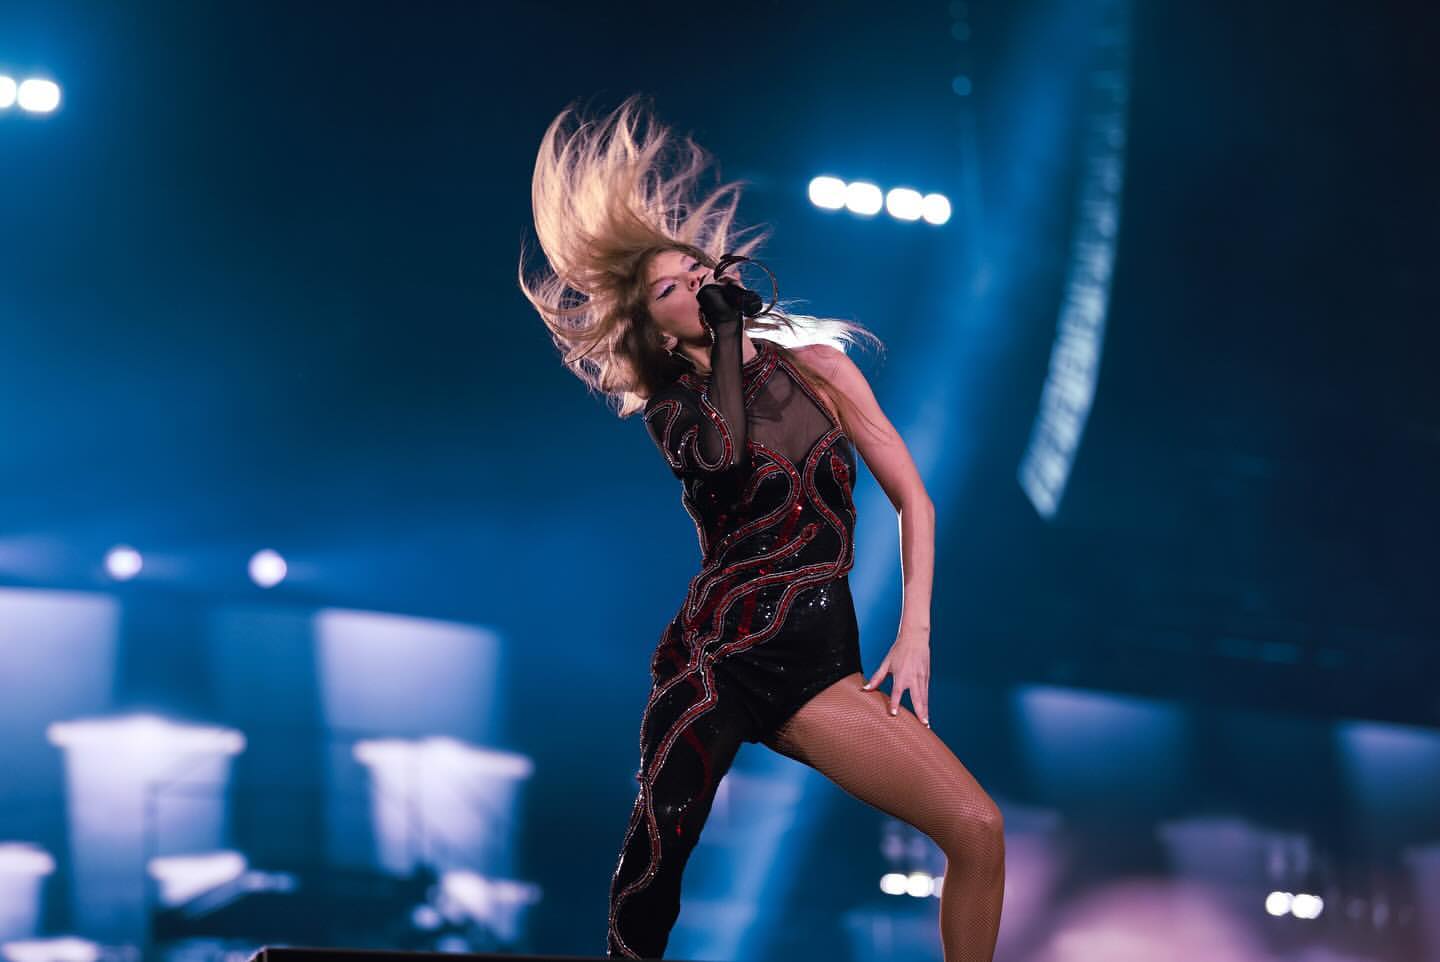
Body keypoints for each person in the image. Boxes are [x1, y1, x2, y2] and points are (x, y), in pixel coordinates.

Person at [519, 94, 1005, 961]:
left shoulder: (820, 369)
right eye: (671, 289)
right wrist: (727, 337)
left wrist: (916, 634)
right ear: (657, 328)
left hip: (818, 672)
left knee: (978, 827)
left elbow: (915, 500)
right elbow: (724, 453)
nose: (696, 285)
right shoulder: (672, 410)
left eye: (697, 270)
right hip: (716, 662)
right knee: (656, 865)